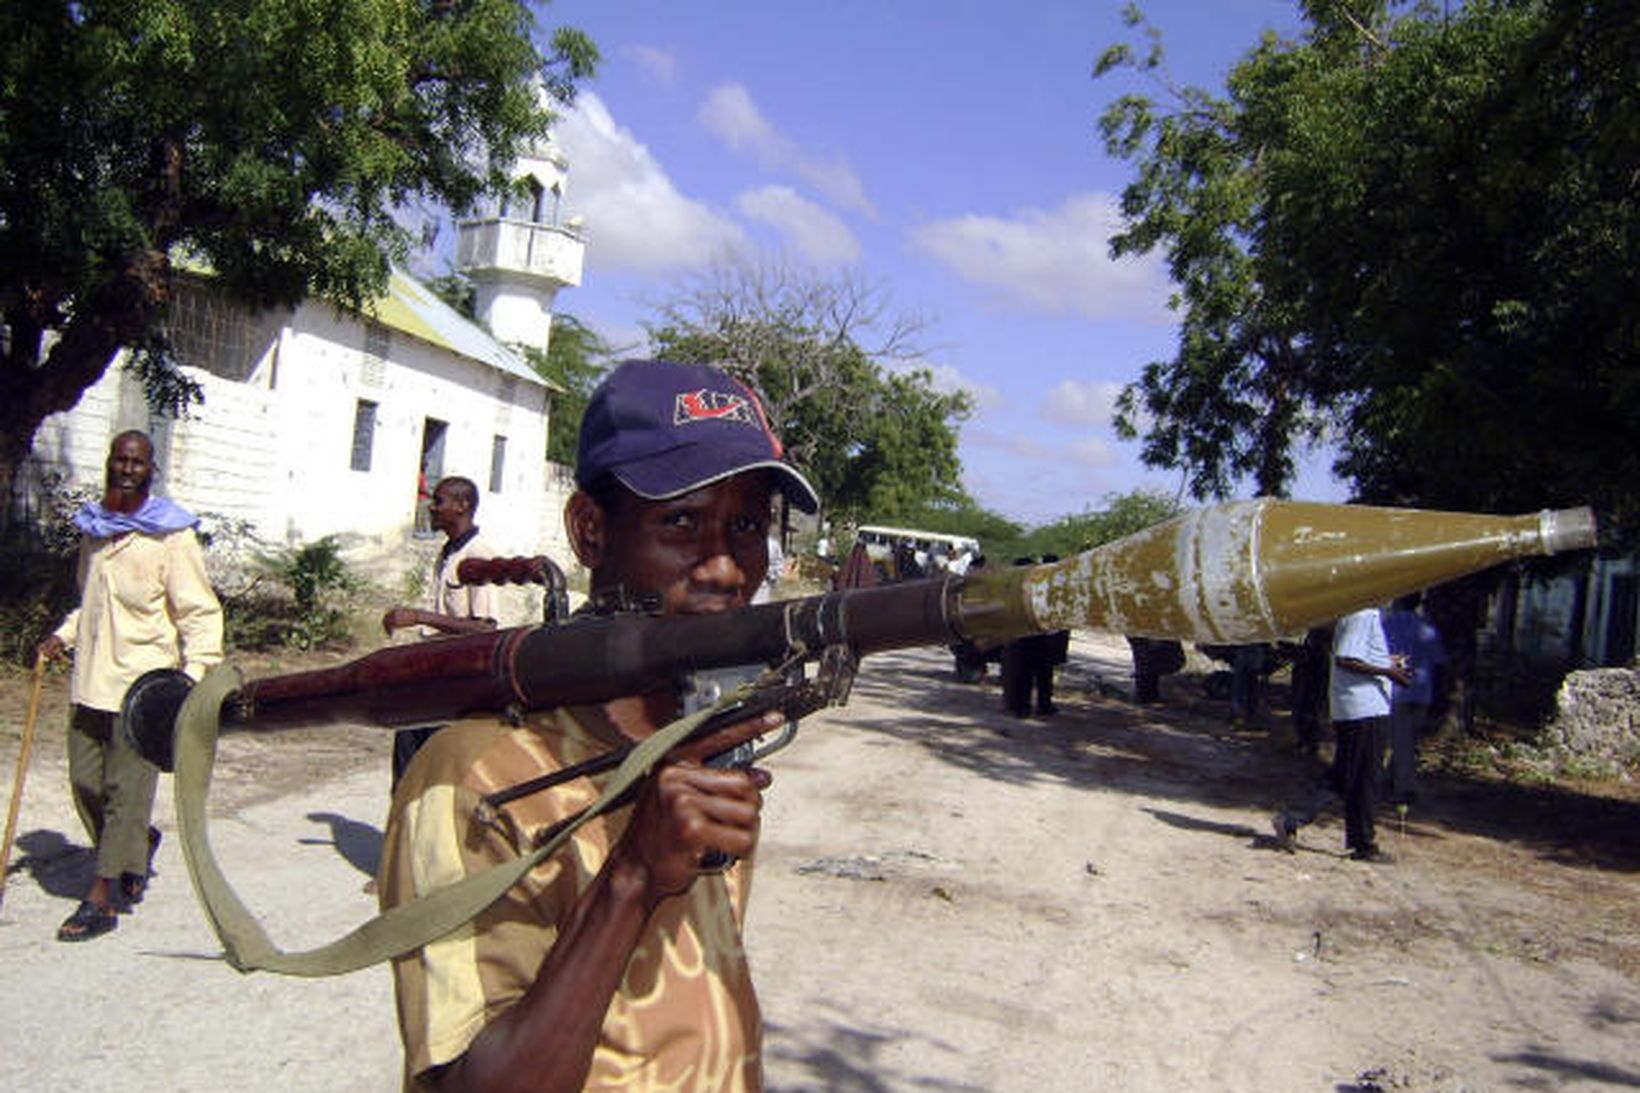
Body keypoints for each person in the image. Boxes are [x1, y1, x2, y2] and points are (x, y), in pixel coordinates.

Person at [379, 359, 820, 1091]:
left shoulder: (706, 732)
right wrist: (634, 876)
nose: (723, 567)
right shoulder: (475, 775)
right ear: (589, 530)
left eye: (744, 524)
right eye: (680, 520)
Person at [37, 430, 223, 941]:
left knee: (125, 791)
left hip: (141, 692)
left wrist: (195, 676)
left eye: (136, 463)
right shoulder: (96, 530)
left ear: (151, 469)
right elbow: (89, 603)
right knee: (85, 782)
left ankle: (103, 899)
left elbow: (199, 612)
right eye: (119, 460)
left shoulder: (171, 536)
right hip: (91, 680)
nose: (125, 469)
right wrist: (61, 635)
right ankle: (136, 843)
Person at [381, 476, 499, 786]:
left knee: (435, 773)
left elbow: (484, 627)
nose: (431, 508)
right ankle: (402, 830)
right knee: (407, 765)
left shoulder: (478, 555)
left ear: (462, 506)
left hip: (454, 681)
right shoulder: (448, 552)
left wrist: (420, 616)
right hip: (430, 672)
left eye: (439, 502)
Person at [1274, 606, 1411, 862]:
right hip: (1364, 708)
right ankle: (1363, 843)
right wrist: (1389, 672)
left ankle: (1293, 817)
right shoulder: (1363, 614)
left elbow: (1353, 655)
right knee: (1365, 777)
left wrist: (1387, 662)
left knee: (1345, 774)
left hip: (1359, 707)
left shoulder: (1358, 612)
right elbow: (1346, 659)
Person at [1381, 592, 1447, 808]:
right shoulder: (1427, 627)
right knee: (1407, 741)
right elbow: (1438, 663)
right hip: (1422, 692)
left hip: (1398, 691)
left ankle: (1405, 789)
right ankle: (1391, 780)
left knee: (1401, 741)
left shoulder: (1388, 624)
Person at [1288, 625, 1332, 756]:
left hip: (1311, 686)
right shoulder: (1309, 649)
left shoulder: (1318, 655)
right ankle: (1304, 740)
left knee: (1310, 713)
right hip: (1304, 683)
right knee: (1303, 712)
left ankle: (1309, 743)